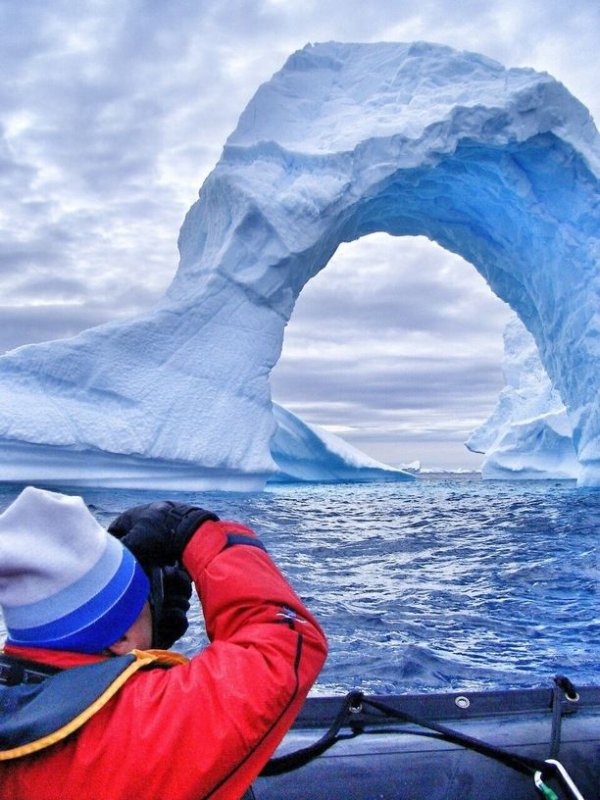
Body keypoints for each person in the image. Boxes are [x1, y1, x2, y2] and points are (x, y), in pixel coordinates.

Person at [0, 486, 327, 799]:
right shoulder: (140, 727)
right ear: (120, 637)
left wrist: (136, 654)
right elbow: (283, 642)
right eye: (144, 603)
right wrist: (194, 530)